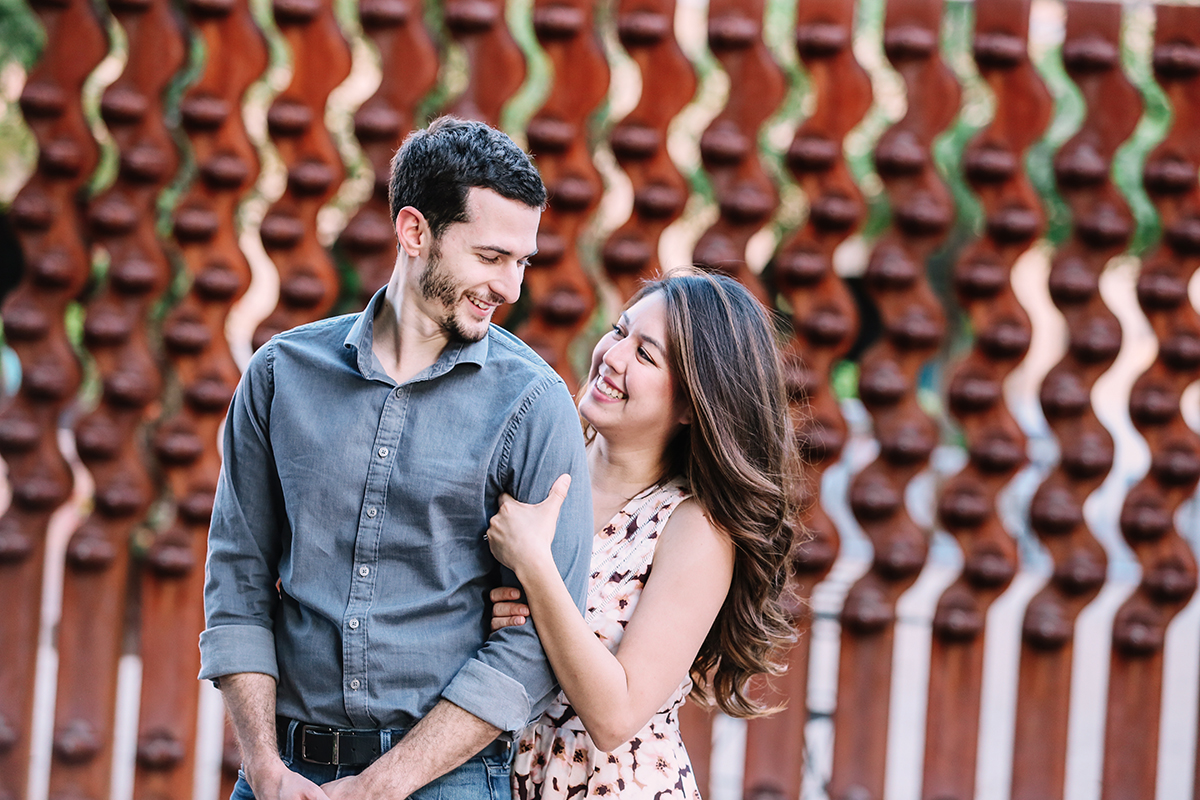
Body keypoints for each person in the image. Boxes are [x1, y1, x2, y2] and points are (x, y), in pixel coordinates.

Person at [198, 117, 593, 800]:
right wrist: (262, 764)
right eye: (492, 257)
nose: (513, 287)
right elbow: (238, 580)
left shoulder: (533, 405)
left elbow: (533, 644)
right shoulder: (279, 377)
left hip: (450, 781)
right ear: (415, 232)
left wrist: (387, 783)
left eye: (522, 261)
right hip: (283, 775)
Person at [484, 269, 799, 798]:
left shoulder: (694, 528)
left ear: (691, 406)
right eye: (618, 330)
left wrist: (535, 572)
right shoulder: (544, 468)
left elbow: (616, 714)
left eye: (646, 355)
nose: (612, 355)